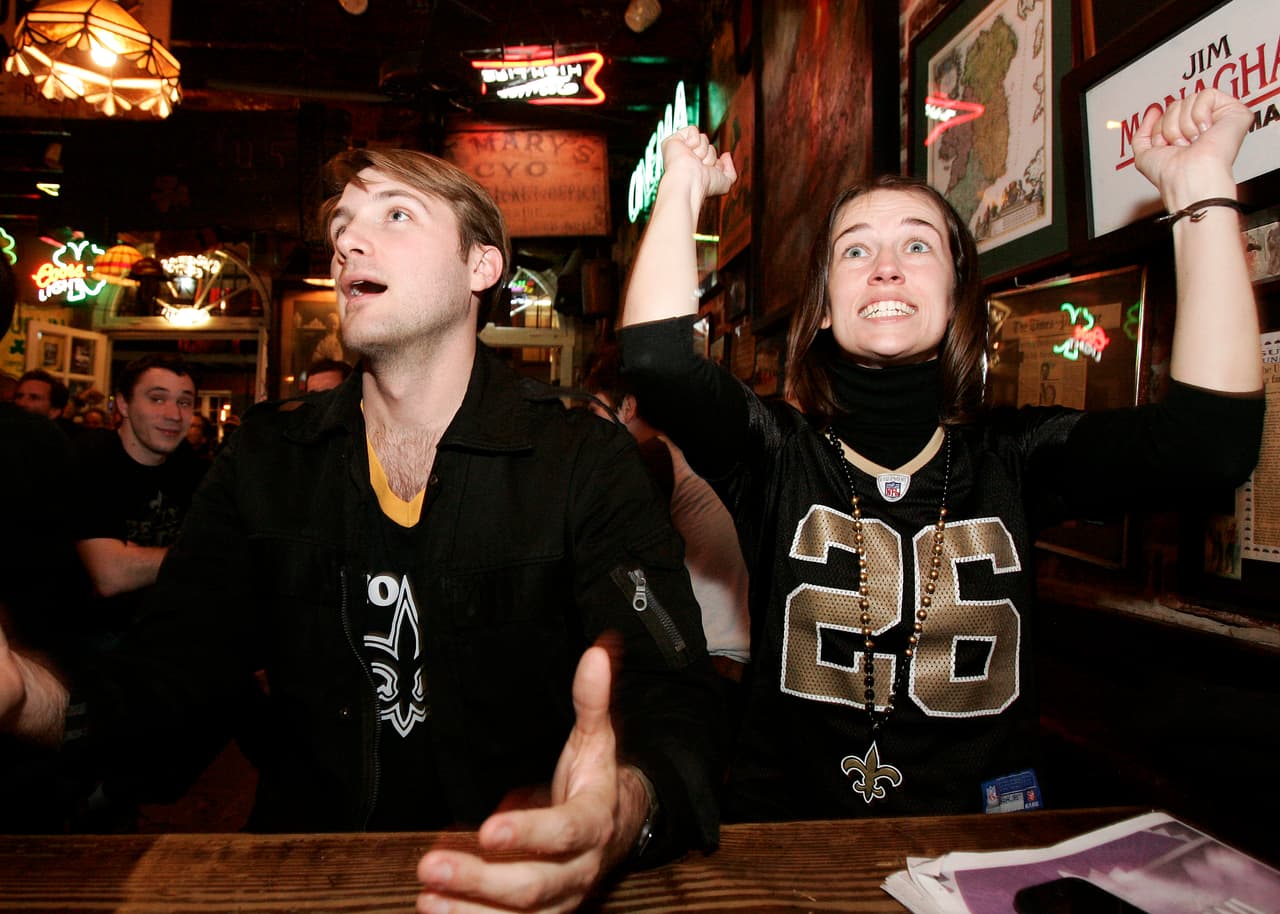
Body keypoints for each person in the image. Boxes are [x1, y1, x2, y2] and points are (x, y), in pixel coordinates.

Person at [0, 147, 722, 910]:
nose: (347, 243)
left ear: (482, 266)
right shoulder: (269, 455)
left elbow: (674, 701)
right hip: (312, 878)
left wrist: (615, 813)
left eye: (396, 216)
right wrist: (26, 701)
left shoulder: (581, 458)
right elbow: (166, 682)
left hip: (514, 882)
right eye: (341, 227)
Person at [618, 89, 1263, 822]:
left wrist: (1199, 190)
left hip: (984, 853)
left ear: (956, 292)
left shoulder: (1016, 457)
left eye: (917, 245)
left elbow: (1210, 446)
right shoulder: (774, 454)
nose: (886, 266)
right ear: (825, 304)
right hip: (796, 853)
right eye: (855, 249)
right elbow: (658, 364)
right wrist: (679, 185)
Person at [585, 345, 751, 677]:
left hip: (711, 656)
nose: (592, 426)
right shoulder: (681, 452)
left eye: (596, 410)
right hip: (735, 651)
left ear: (628, 407)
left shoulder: (654, 457)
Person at [68, 354, 207, 638]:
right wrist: (202, 556)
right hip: (88, 642)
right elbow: (111, 575)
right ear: (123, 404)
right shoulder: (91, 457)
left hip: (167, 635)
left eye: (184, 402)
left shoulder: (190, 466)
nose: (174, 415)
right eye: (157, 399)